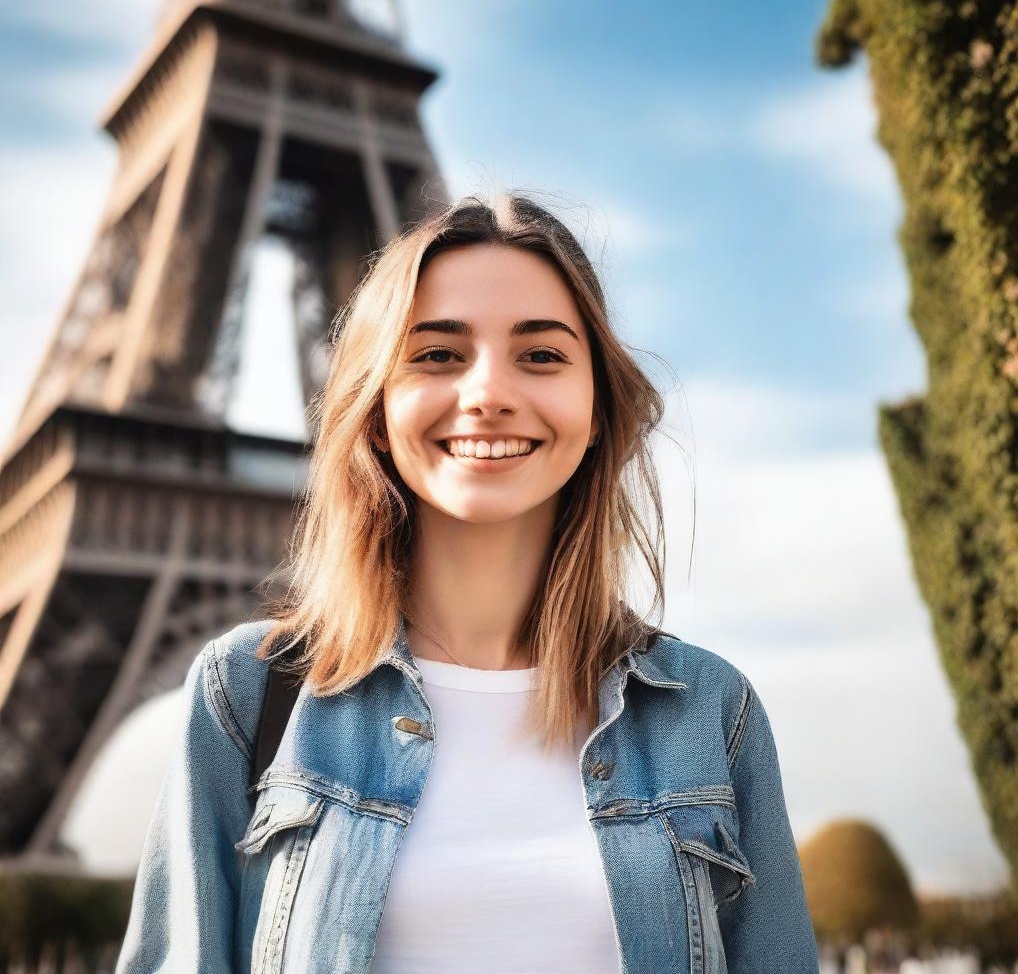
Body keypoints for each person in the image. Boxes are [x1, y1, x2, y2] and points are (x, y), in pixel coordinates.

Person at [115, 191, 820, 973]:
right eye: (439, 354)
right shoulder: (248, 696)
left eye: (542, 355)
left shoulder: (712, 713)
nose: (488, 393)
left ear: (597, 410)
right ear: (377, 407)